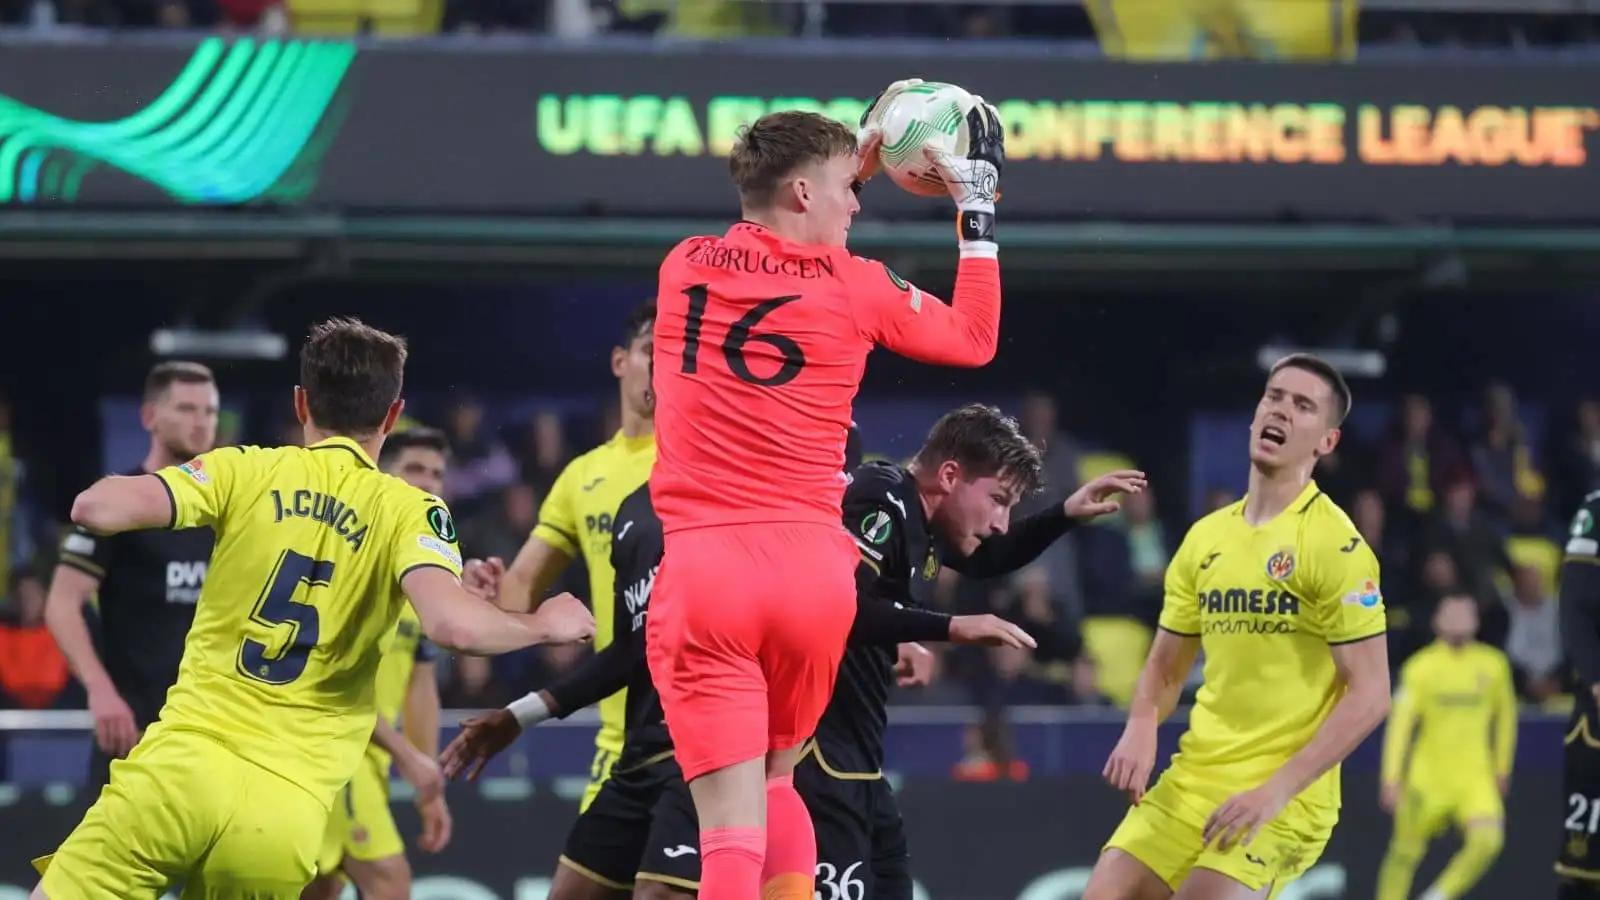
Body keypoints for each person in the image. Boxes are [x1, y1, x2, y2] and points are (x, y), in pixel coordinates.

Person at [441, 408, 1142, 900]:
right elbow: (657, 641)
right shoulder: (649, 513)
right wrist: (941, 628)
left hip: (825, 760)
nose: (1000, 522)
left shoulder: (867, 508)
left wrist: (1057, 520)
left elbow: (877, 593)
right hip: (771, 756)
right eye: (999, 500)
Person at [31, 318, 595, 900]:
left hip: (181, 770)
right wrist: (543, 624)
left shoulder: (244, 468)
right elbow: (451, 624)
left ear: (302, 403)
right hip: (284, 810)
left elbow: (93, 507)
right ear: (392, 416)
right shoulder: (412, 511)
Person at [648, 84, 1007, 900]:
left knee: (729, 832)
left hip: (711, 574)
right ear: (805, 192)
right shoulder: (859, 287)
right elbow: (974, 339)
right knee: (780, 782)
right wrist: (974, 211)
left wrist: (853, 165)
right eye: (850, 189)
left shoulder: (684, 267)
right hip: (815, 580)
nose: (859, 203)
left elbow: (785, 231)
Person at [1088, 353, 1392, 900]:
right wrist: (1141, 724)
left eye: (1303, 406)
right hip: (1194, 779)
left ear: (1327, 442)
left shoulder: (1335, 546)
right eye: (1274, 396)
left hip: (1284, 800)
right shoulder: (1205, 540)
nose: (1281, 410)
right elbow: (1164, 664)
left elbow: (1371, 693)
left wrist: (1274, 792)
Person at [495, 300, 657, 814]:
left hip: (697, 737)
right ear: (619, 361)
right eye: (652, 352)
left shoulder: (706, 461)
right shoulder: (583, 476)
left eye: (678, 355)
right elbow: (518, 588)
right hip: (615, 739)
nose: (665, 367)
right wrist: (485, 596)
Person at [45, 361, 220, 791]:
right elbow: (62, 603)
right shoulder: (117, 500)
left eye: (210, 411)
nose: (201, 423)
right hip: (133, 731)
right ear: (149, 417)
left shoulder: (226, 508)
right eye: (186, 409)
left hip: (212, 735)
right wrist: (99, 690)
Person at [303, 427, 459, 900]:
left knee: (320, 888)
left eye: (437, 474)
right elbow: (330, 680)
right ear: (382, 474)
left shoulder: (422, 570)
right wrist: (407, 757)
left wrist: (429, 782)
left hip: (370, 760)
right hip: (330, 752)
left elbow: (420, 685)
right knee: (389, 880)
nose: (429, 484)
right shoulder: (348, 557)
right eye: (414, 469)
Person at [1376, 592, 1514, 900]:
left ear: (1477, 621)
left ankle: (1438, 896)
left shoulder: (1494, 666)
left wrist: (1502, 767)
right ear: (1437, 621)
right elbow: (1399, 727)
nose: (1459, 620)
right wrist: (1391, 777)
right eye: (1452, 614)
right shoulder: (1420, 668)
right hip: (1427, 778)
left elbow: (1506, 720)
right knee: (1404, 853)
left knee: (1488, 840)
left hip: (1475, 777)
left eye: (1466, 613)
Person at [1557, 487, 1600, 897]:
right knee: (1583, 867)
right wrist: (1596, 680)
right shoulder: (1596, 508)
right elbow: (1575, 605)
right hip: (1598, 717)